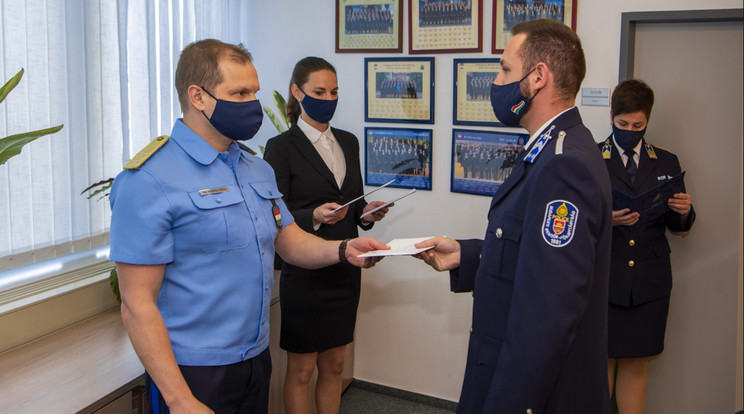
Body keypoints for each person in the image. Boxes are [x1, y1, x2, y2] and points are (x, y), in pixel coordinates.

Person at [108, 40, 387, 414]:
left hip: (255, 356)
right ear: (198, 97)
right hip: (192, 370)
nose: (252, 103)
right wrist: (179, 399)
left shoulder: (255, 167)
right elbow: (136, 304)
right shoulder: (149, 179)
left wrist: (342, 250)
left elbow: (289, 241)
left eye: (254, 91)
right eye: (239, 93)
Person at [415, 19, 613, 413]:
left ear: (539, 76)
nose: (498, 80)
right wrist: (468, 255)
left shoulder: (562, 166)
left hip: (538, 391)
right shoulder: (552, 148)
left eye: (506, 68)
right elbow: (534, 253)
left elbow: (547, 314)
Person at [263, 57, 391, 414]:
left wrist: (367, 213)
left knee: (334, 365)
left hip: (345, 270)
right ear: (297, 92)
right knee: (302, 370)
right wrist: (314, 217)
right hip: (305, 273)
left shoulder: (349, 142)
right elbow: (276, 215)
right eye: (319, 91)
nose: (328, 98)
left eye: (334, 91)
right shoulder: (281, 147)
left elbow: (355, 202)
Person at [602, 79, 695, 414]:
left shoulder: (666, 162)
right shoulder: (593, 159)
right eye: (623, 124)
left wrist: (683, 213)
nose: (630, 131)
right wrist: (606, 220)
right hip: (606, 277)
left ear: (648, 120)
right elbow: (574, 220)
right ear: (611, 116)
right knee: (602, 363)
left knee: (636, 362)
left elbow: (675, 225)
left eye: (638, 125)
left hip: (649, 280)